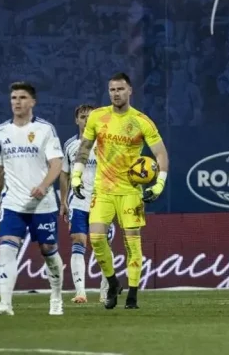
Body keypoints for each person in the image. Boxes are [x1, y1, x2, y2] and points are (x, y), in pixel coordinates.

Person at [70, 72, 169, 310]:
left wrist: (159, 183)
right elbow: (84, 147)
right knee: (95, 238)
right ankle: (113, 282)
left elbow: (161, 154)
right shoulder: (97, 116)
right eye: (112, 90)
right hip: (102, 190)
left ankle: (133, 295)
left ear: (130, 91)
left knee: (132, 244)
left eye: (120, 89)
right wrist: (76, 174)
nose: (116, 94)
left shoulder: (141, 121)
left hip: (130, 192)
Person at [0, 82, 65, 316]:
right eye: (13, 98)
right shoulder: (1, 132)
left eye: (22, 97)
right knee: (7, 249)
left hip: (43, 203)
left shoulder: (45, 129)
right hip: (13, 203)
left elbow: (57, 164)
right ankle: (5, 304)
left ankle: (57, 298)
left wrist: (43, 185)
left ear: (33, 102)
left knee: (48, 250)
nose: (16, 102)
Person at [60, 104, 113, 304]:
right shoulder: (69, 145)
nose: (86, 120)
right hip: (78, 202)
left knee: (102, 244)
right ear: (77, 120)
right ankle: (80, 292)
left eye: (90, 117)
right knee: (78, 240)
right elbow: (64, 173)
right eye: (83, 117)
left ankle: (105, 291)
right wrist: (63, 201)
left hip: (101, 201)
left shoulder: (105, 144)